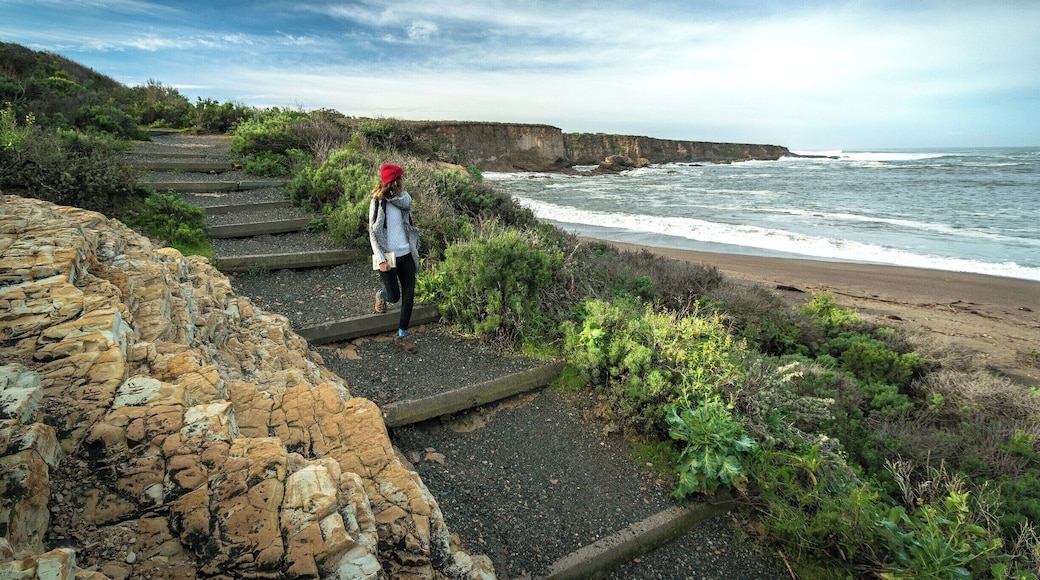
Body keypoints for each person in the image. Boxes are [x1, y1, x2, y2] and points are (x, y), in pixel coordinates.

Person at [369, 163, 421, 353]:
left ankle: (402, 336)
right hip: (387, 256)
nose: (404, 181)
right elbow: (373, 232)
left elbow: (408, 225)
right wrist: (380, 259)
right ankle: (381, 295)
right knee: (394, 297)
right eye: (401, 178)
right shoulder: (378, 202)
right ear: (394, 182)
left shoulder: (404, 199)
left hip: (406, 253)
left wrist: (414, 246)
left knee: (409, 297)